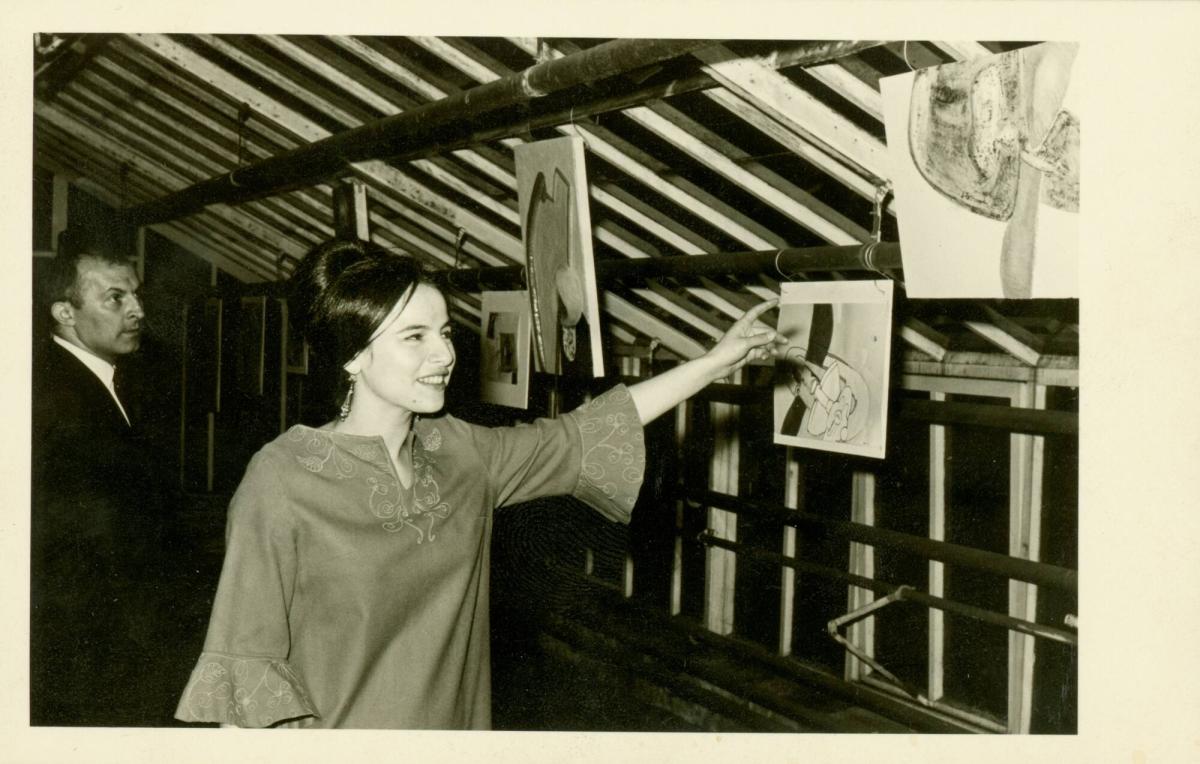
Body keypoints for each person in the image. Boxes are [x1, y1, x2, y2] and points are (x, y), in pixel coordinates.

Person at [174, 238, 779, 729]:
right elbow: (245, 667)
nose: (444, 354)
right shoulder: (282, 477)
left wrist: (715, 361)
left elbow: (583, 434)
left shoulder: (461, 452)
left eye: (444, 333)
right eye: (415, 337)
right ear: (352, 356)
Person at [31, 226, 188, 725]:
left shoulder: (113, 379)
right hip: (90, 651)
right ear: (65, 312)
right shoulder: (51, 399)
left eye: (135, 296)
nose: (137, 310)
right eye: (115, 298)